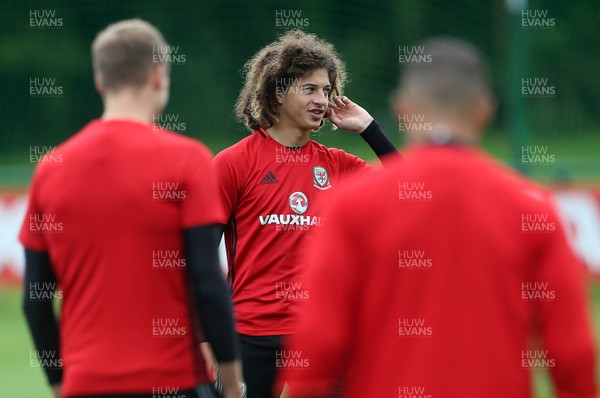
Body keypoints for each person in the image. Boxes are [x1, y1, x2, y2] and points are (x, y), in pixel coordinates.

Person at [280, 37, 597, 397]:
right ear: (485, 110)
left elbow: (317, 346)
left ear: (403, 108)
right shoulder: (532, 210)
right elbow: (572, 354)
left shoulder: (350, 206)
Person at [20, 19, 244, 398]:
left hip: (85, 385)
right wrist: (234, 385)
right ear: (158, 75)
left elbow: (35, 300)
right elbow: (208, 284)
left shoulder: (50, 168)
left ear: (100, 81)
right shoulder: (188, 160)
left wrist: (61, 384)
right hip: (174, 383)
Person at [212, 29, 398, 398]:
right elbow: (199, 259)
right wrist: (206, 338)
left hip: (322, 337)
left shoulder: (340, 166)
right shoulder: (233, 164)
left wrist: (369, 129)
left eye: (326, 91)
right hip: (251, 337)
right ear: (278, 93)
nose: (321, 99)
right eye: (309, 89)